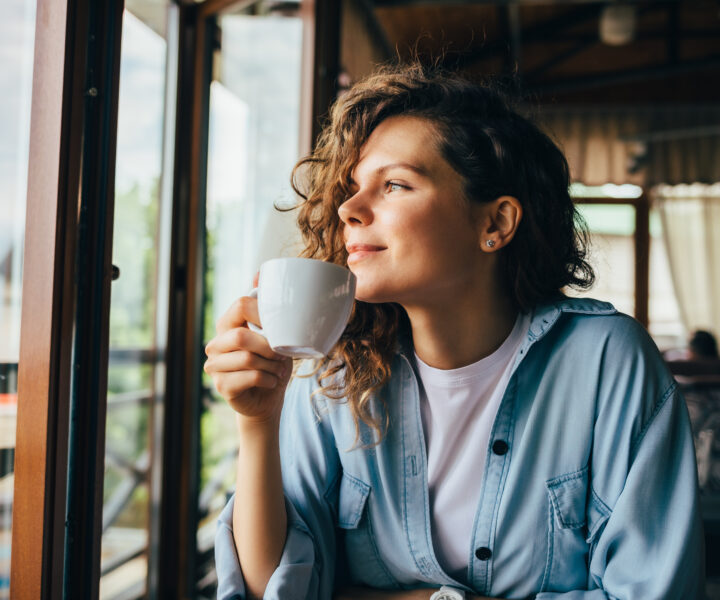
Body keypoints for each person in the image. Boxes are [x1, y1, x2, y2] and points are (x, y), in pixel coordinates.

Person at [204, 63, 704, 600]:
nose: (349, 209)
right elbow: (271, 590)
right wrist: (258, 423)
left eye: (394, 184)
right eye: (351, 188)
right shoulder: (335, 369)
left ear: (495, 223)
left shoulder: (608, 361)